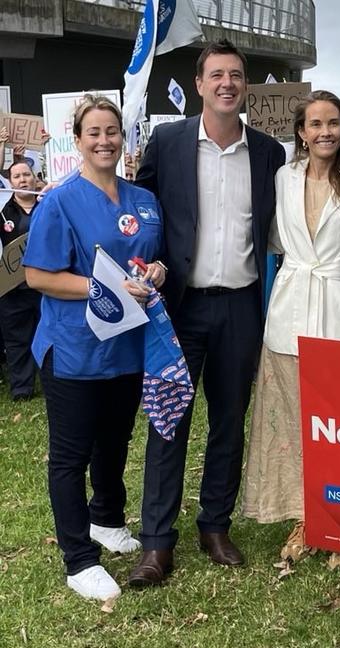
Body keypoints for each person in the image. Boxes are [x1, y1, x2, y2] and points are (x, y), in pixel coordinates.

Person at [128, 40, 286, 587]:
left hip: (241, 307)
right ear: (199, 84)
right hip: (179, 309)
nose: (226, 83)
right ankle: (156, 543)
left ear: (245, 85)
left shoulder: (269, 153)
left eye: (236, 75)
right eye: (216, 74)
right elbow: (140, 215)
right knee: (168, 421)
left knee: (228, 423)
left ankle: (215, 526)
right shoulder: (167, 142)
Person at [22, 95, 166, 601]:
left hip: (126, 347)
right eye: (94, 133)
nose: (105, 141)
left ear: (122, 137)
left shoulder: (143, 199)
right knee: (70, 455)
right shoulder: (59, 201)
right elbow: (37, 274)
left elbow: (151, 259)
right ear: (78, 140)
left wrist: (155, 271)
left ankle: (106, 520)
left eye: (112, 132)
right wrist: (100, 286)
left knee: (115, 441)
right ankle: (79, 559)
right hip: (74, 349)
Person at [241, 90, 340, 562]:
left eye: (333, 123)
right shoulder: (284, 178)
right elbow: (270, 240)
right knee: (296, 426)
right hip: (288, 314)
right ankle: (307, 521)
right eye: (315, 124)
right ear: (301, 133)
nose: (324, 132)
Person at [0, 160, 41, 400]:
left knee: (50, 337)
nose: (23, 179)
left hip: (46, 286)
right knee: (17, 340)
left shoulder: (49, 207)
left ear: (35, 179)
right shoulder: (3, 213)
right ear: (10, 182)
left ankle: (54, 383)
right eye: (17, 176)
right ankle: (22, 389)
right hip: (13, 290)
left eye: (27, 174)